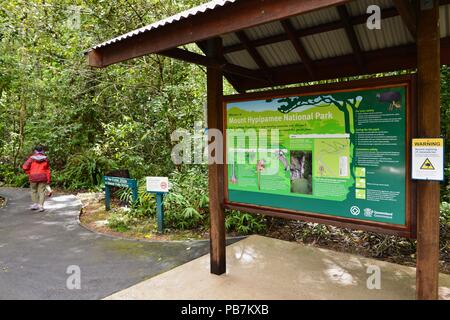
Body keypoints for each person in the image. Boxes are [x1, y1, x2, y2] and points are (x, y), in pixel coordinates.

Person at [22, 146, 51, 212]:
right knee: (42, 191)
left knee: (33, 190)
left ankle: (35, 204)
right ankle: (41, 206)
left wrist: (29, 172)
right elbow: (48, 170)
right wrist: (48, 179)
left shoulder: (31, 158)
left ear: (35, 150)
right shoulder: (46, 159)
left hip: (33, 176)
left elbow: (24, 167)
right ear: (42, 151)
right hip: (43, 176)